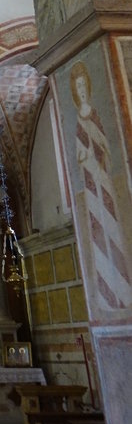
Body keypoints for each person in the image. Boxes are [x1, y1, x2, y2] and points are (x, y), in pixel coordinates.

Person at [70, 61, 132, 310]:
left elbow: (107, 146)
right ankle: (111, 298)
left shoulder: (95, 115)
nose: (82, 89)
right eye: (78, 86)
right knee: (100, 232)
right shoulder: (76, 121)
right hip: (91, 182)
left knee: (114, 232)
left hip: (103, 178)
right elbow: (78, 152)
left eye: (84, 85)